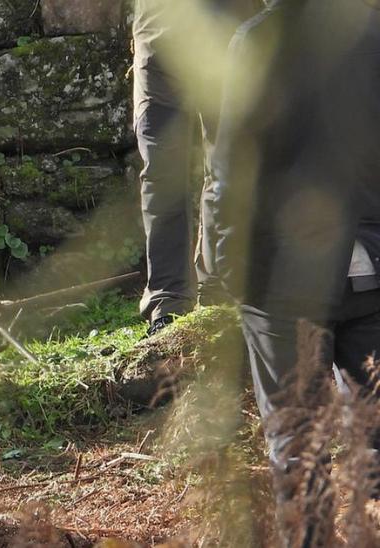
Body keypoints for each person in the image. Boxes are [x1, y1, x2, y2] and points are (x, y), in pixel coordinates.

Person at [211, 0, 380, 542]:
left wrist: (225, 260)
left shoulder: (259, 40)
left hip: (280, 279)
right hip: (371, 263)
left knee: (298, 443)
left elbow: (234, 162)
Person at [133, 0, 263, 335]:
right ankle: (169, 301)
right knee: (163, 174)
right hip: (160, 36)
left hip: (228, 35)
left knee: (228, 164)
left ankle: (218, 289)